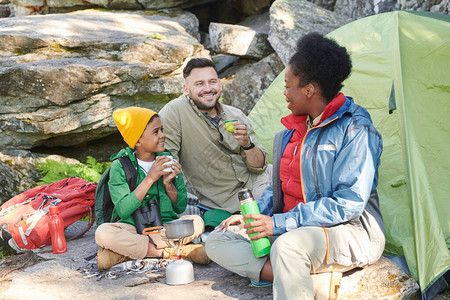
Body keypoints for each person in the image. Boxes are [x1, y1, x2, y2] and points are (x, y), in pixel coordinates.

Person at [205, 33, 385, 299]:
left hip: (349, 231)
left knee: (287, 247)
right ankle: (311, 283)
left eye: (288, 86)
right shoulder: (291, 133)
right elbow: (280, 190)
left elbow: (348, 203)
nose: (285, 93)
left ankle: (291, 275)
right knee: (218, 240)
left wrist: (278, 224)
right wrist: (254, 218)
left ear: (309, 90)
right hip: (294, 229)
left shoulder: (356, 130)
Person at [158, 58, 272, 228]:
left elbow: (259, 166)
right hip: (220, 201)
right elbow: (167, 161)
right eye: (200, 84)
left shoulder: (235, 114)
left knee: (286, 171)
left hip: (255, 185)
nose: (208, 89)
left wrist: (247, 144)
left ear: (219, 84)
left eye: (212, 82)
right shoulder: (175, 111)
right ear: (186, 89)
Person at [95, 107, 210, 270]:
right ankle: (176, 252)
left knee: (197, 222)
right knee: (103, 232)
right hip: (132, 228)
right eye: (155, 132)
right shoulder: (120, 166)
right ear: (138, 140)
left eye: (162, 129)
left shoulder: (168, 160)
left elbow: (180, 207)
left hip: (165, 226)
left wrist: (168, 184)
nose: (162, 135)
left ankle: (125, 254)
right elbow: (122, 210)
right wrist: (150, 178)